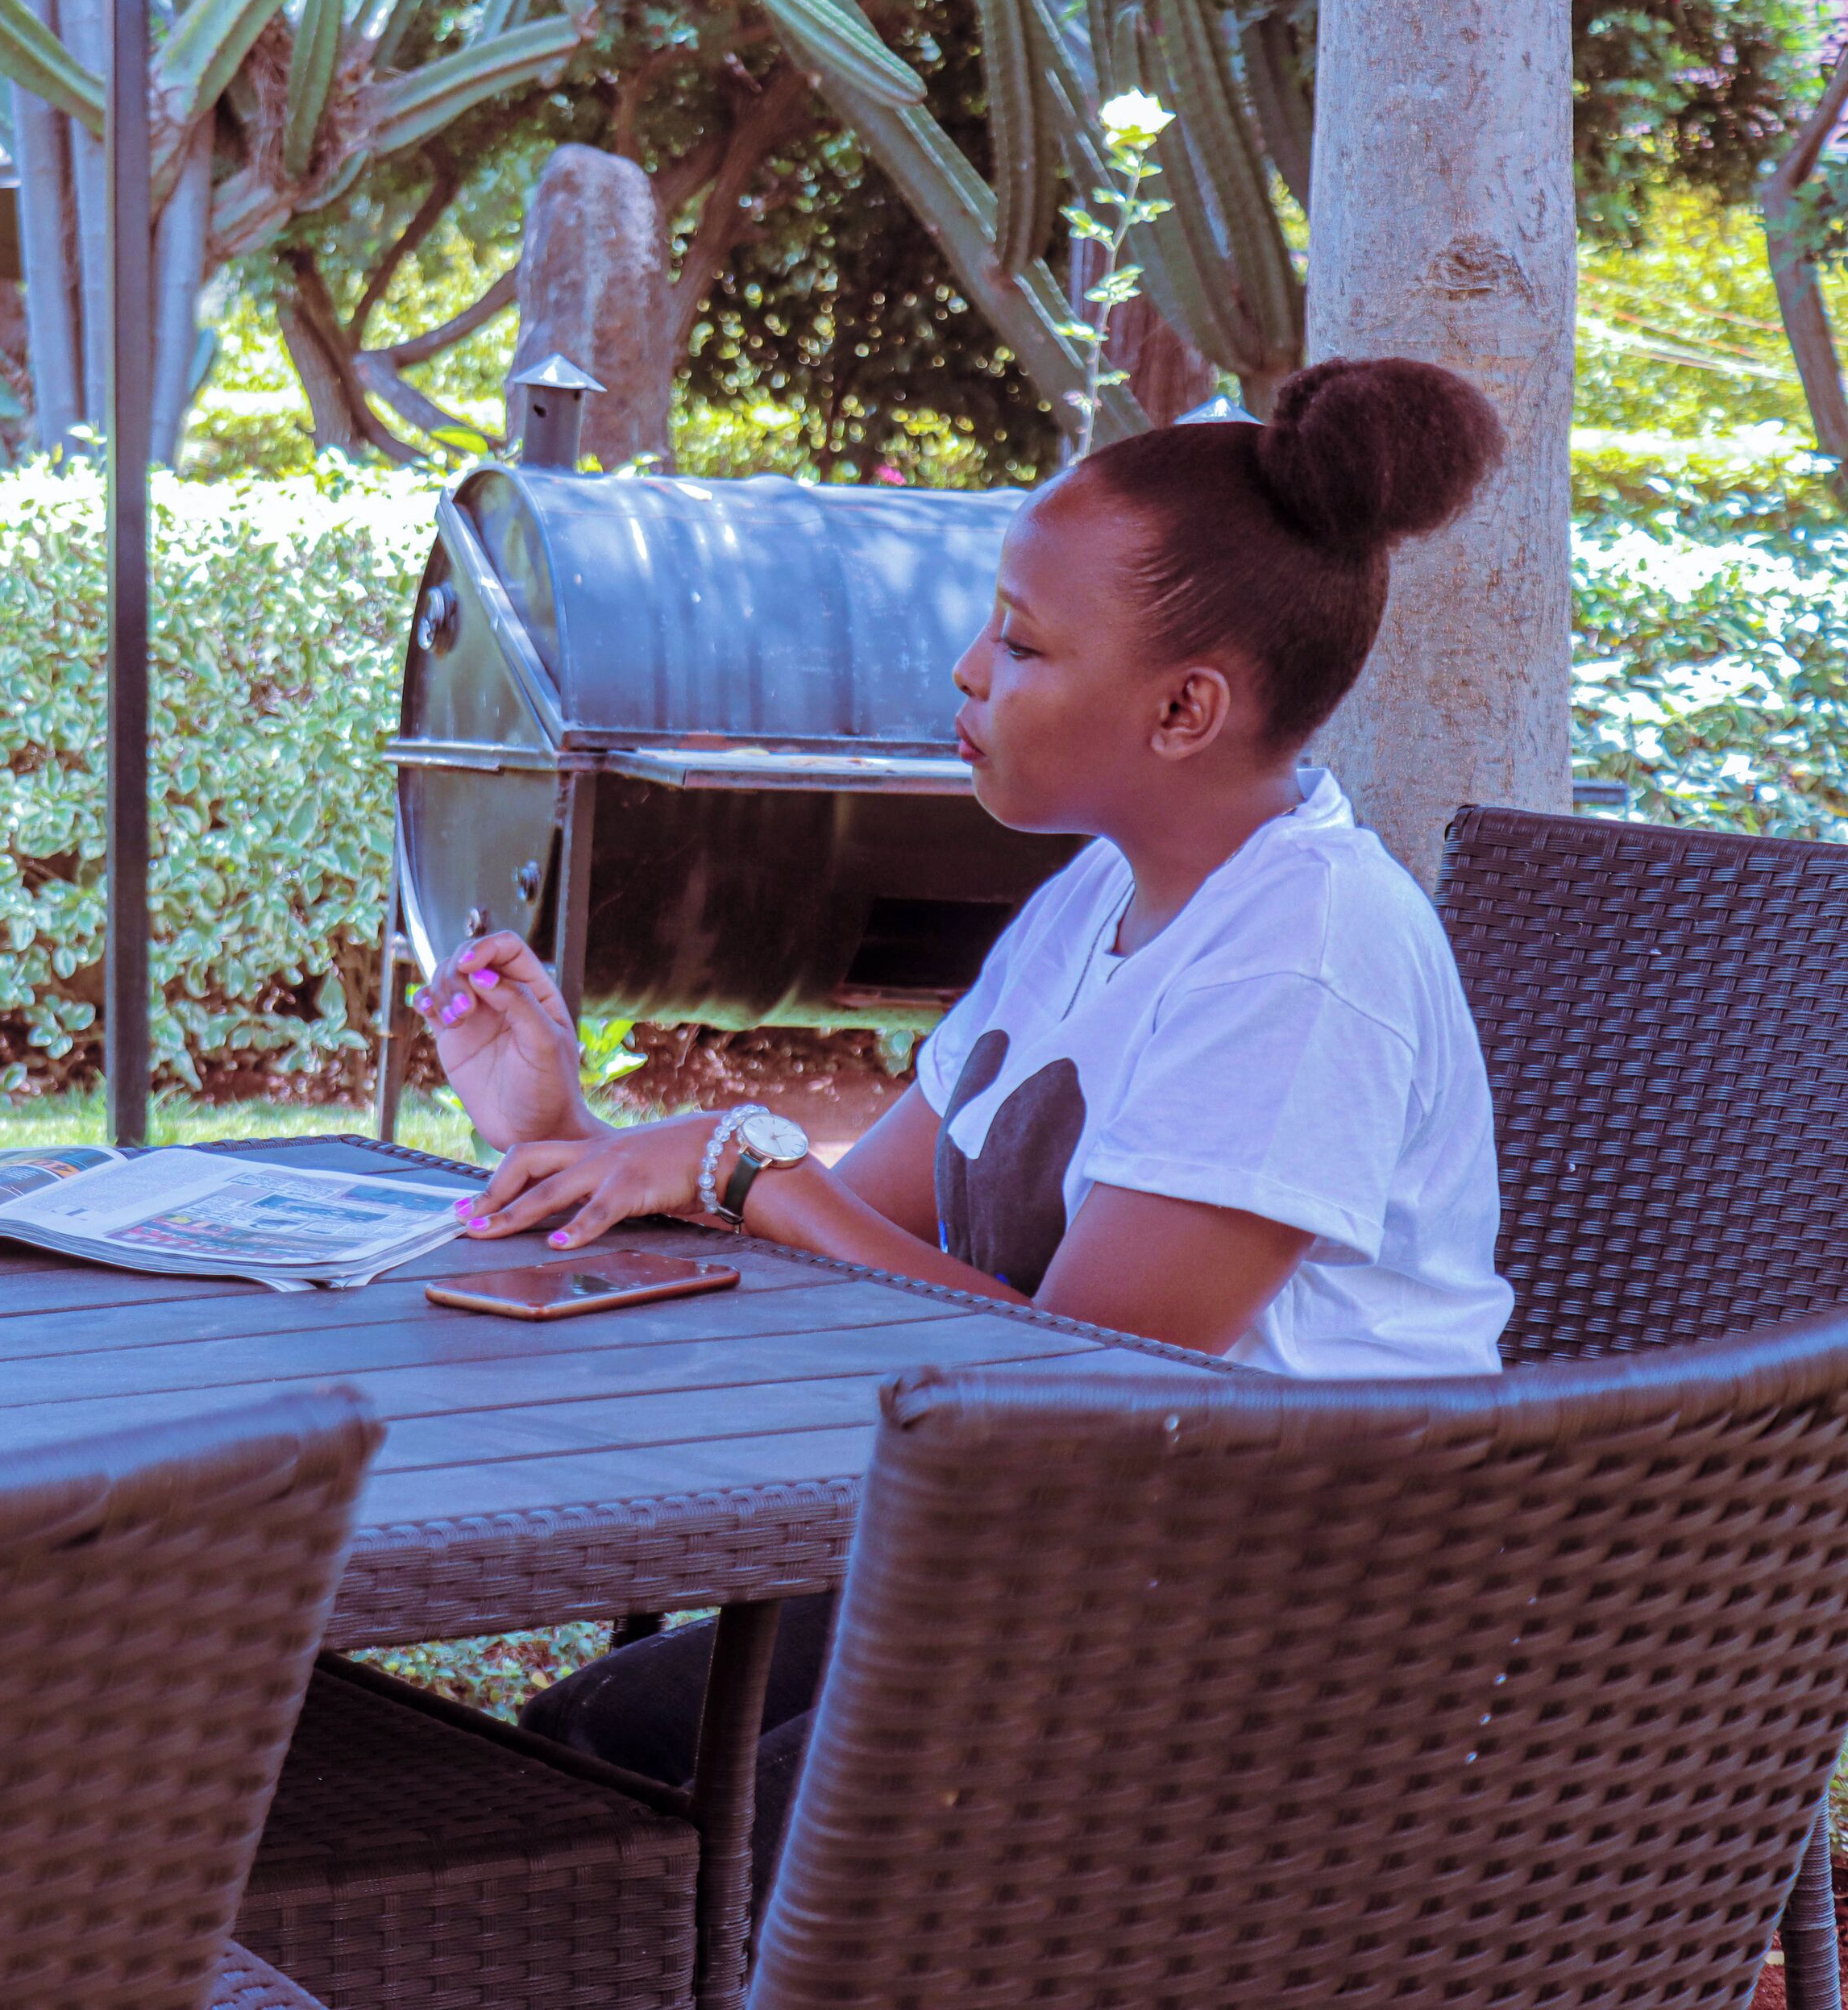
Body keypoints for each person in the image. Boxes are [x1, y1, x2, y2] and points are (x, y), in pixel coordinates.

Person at [403, 357, 1514, 1891]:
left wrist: (752, 1171)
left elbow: (1090, 1388)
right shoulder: (1101, 898)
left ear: (1187, 707)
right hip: (1068, 1570)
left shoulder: (1308, 957)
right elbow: (863, 1231)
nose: (968, 669)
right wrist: (577, 1130)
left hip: (1268, 1636)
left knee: (674, 1864)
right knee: (568, 1777)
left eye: (1023, 639)